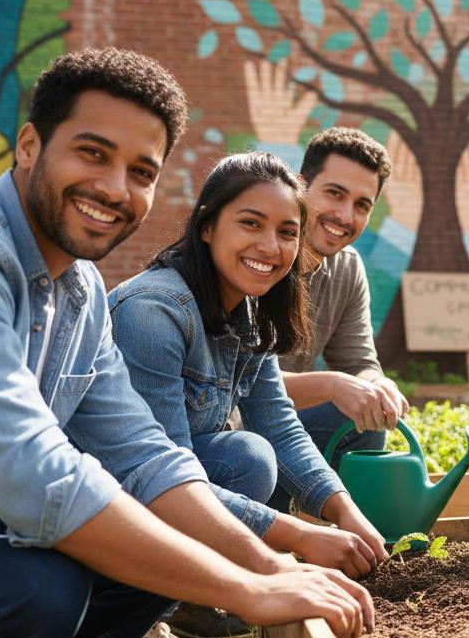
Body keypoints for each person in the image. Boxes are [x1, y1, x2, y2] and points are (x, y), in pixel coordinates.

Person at [0, 47, 372, 638]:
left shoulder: (80, 288)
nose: (115, 187)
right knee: (35, 593)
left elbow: (145, 456)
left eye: (141, 171)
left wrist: (273, 566)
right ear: (29, 146)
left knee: (216, 470)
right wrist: (247, 587)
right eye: (92, 153)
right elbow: (39, 477)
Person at [107, 152, 389, 582]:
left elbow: (279, 424)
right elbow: (159, 473)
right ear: (206, 225)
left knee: (252, 454)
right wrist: (298, 538)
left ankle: (183, 596)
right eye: (251, 223)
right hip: (108, 497)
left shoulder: (250, 310)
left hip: (164, 485)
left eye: (287, 232)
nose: (270, 247)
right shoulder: (154, 312)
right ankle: (148, 612)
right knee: (248, 459)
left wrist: (346, 512)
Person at [279, 127, 408, 475]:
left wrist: (377, 383)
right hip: (225, 430)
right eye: (335, 193)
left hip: (280, 425)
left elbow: (357, 361)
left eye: (362, 205)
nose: (345, 216)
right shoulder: (260, 256)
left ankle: (323, 519)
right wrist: (332, 385)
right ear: (300, 185)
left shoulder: (347, 268)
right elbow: (241, 386)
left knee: (363, 417)